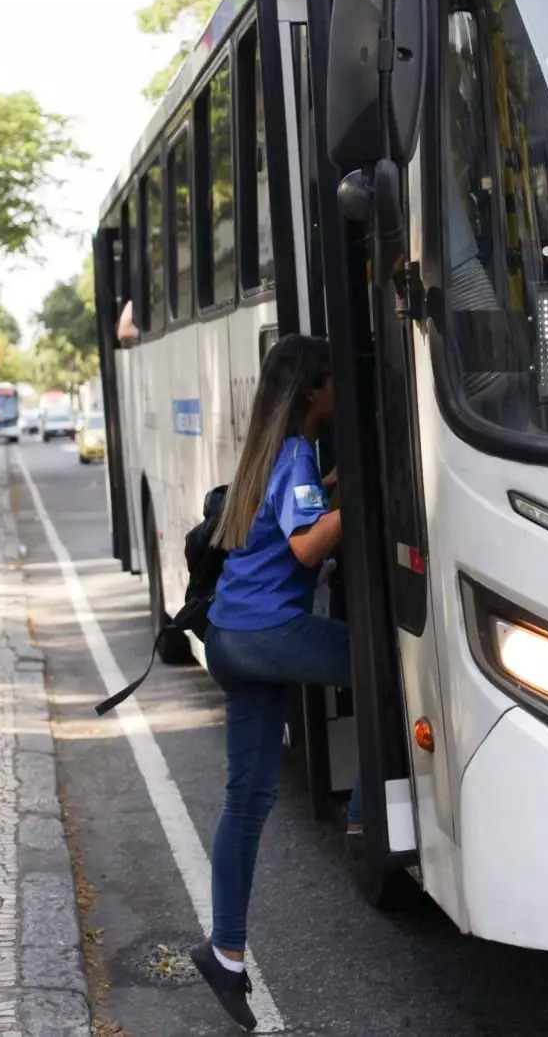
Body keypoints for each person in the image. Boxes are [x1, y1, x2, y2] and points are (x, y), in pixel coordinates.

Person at [190, 334, 354, 1031]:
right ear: (315, 390)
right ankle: (366, 809)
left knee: (247, 798)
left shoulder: (269, 452)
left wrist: (338, 487)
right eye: (334, 382)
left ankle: (224, 952)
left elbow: (302, 513)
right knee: (390, 666)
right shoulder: (293, 456)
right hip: (264, 636)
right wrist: (371, 497)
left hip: (229, 637)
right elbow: (306, 543)